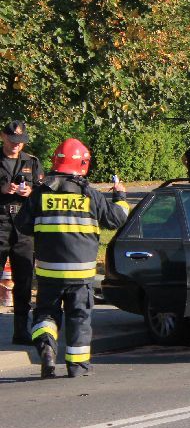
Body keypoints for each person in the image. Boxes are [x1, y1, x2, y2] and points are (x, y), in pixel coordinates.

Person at [14, 138, 129, 378]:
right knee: (79, 317)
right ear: (83, 164)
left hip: (48, 272)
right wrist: (120, 196)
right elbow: (116, 219)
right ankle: (77, 366)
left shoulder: (40, 195)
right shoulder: (91, 196)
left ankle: (47, 345)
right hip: (81, 274)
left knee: (46, 315)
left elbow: (22, 225)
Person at [0, 120, 44, 344]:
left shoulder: (31, 162)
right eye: (13, 140)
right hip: (0, 225)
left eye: (21, 141)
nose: (17, 145)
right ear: (3, 137)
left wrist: (30, 192)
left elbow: (43, 192)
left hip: (23, 228)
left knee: (24, 280)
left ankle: (21, 331)